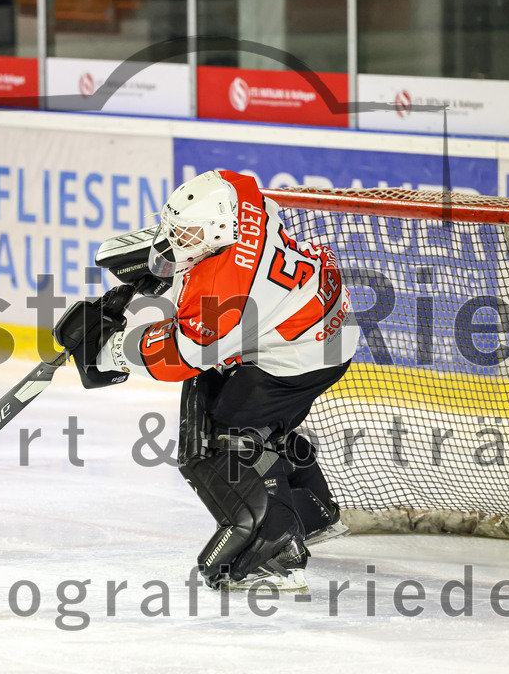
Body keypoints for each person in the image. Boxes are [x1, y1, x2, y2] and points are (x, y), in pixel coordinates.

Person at [53, 170, 358, 591]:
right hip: (314, 325)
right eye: (180, 230)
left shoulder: (228, 289)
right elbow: (227, 187)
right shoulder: (240, 196)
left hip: (300, 357)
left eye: (189, 233)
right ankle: (313, 511)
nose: (181, 239)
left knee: (221, 437)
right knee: (248, 415)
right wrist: (159, 262)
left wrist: (113, 350)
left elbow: (183, 355)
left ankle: (272, 549)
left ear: (218, 229)